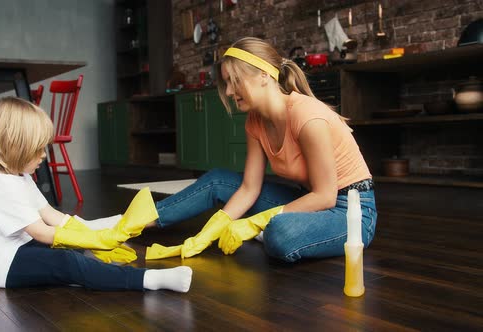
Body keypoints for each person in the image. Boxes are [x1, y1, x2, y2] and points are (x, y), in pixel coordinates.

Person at [146, 37, 377, 262]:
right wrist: (205, 234)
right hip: (310, 201)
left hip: (351, 213)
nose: (228, 91)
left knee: (280, 233)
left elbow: (325, 196)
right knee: (218, 180)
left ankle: (268, 229)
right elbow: (249, 188)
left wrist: (253, 222)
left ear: (264, 75)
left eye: (235, 81)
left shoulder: (308, 117)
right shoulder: (255, 122)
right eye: (226, 83)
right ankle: (136, 221)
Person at [0, 96, 192, 292]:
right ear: (15, 147)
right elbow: (42, 233)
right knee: (67, 261)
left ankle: (91, 270)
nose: (44, 155)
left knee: (70, 248)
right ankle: (147, 280)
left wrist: (91, 233)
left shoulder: (20, 179)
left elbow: (52, 216)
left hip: (16, 248)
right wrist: (95, 239)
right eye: (38, 149)